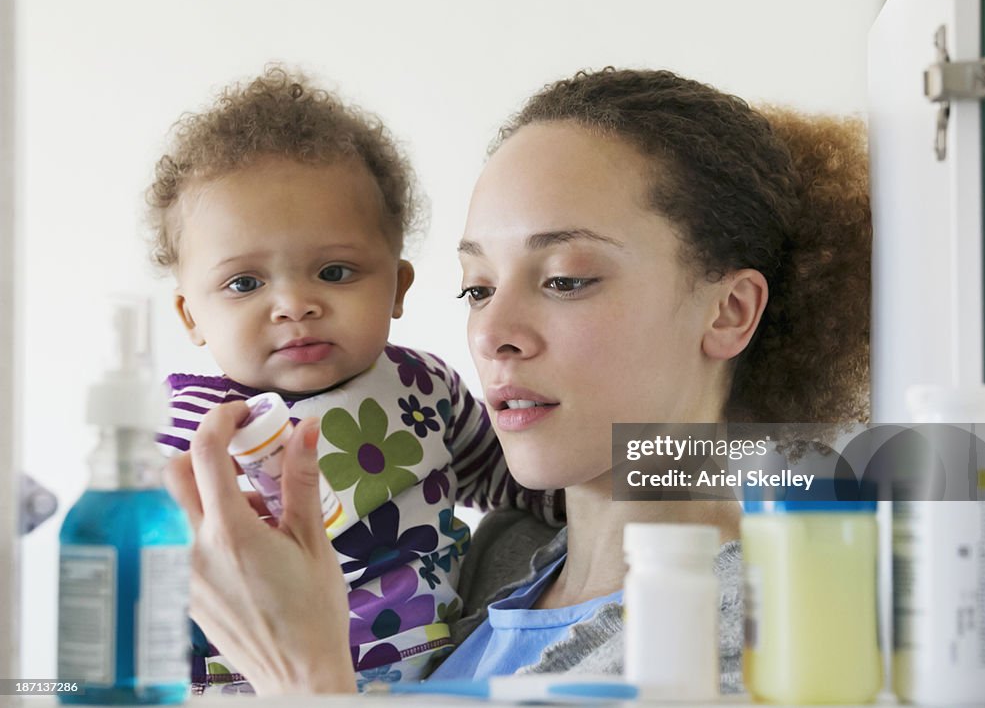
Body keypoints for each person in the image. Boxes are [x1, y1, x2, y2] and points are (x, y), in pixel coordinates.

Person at [164, 67, 870, 695]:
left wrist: (304, 680)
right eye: (476, 288)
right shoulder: (499, 551)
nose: (491, 332)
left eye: (563, 279)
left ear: (729, 310)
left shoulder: (755, 639)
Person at [145, 66, 562, 693]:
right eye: (244, 283)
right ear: (191, 316)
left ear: (397, 288)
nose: (294, 304)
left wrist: (658, 488)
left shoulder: (427, 389)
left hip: (433, 673)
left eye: (335, 272)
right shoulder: (194, 429)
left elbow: (517, 479)